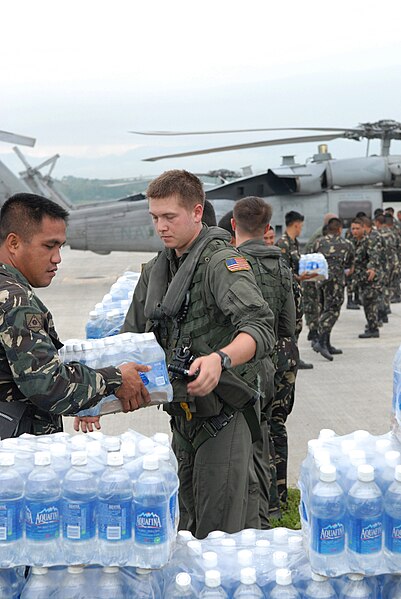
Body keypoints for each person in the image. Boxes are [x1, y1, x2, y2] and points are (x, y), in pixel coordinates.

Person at [121, 170, 276, 538]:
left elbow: (260, 326)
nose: (160, 227)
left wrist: (220, 359)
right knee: (185, 527)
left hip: (223, 414)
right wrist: (100, 394)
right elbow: (129, 339)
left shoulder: (221, 264)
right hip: (183, 417)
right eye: (155, 217)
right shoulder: (159, 270)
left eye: (169, 217)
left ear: (196, 212)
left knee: (220, 533)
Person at [0, 193, 151, 438]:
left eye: (60, 246)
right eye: (49, 246)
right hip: (15, 455)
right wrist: (116, 378)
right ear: (14, 243)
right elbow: (47, 386)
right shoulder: (15, 301)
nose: (57, 258)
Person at [232, 197, 296, 525]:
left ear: (233, 225)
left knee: (245, 437)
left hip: (242, 366)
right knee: (273, 427)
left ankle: (253, 506)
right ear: (267, 229)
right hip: (277, 363)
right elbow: (287, 325)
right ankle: (276, 499)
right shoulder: (281, 264)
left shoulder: (229, 263)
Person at [276, 211, 316, 369]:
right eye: (301, 226)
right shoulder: (283, 244)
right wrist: (299, 277)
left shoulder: (294, 242)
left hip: (297, 292)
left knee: (298, 327)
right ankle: (290, 358)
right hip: (289, 294)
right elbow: (283, 271)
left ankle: (295, 358)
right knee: (290, 327)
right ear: (296, 224)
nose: (301, 229)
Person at [311, 218, 354, 360]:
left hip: (320, 280)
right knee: (333, 310)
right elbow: (349, 264)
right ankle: (321, 341)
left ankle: (326, 343)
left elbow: (312, 258)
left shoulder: (318, 242)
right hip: (335, 282)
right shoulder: (346, 244)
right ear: (340, 229)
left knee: (324, 308)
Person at [351, 217, 382, 338]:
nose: (355, 231)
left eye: (357, 228)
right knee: (366, 303)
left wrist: (372, 268)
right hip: (360, 278)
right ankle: (371, 325)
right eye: (353, 228)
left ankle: (373, 328)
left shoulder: (369, 241)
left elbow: (374, 256)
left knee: (370, 303)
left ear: (363, 228)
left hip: (369, 278)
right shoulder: (352, 242)